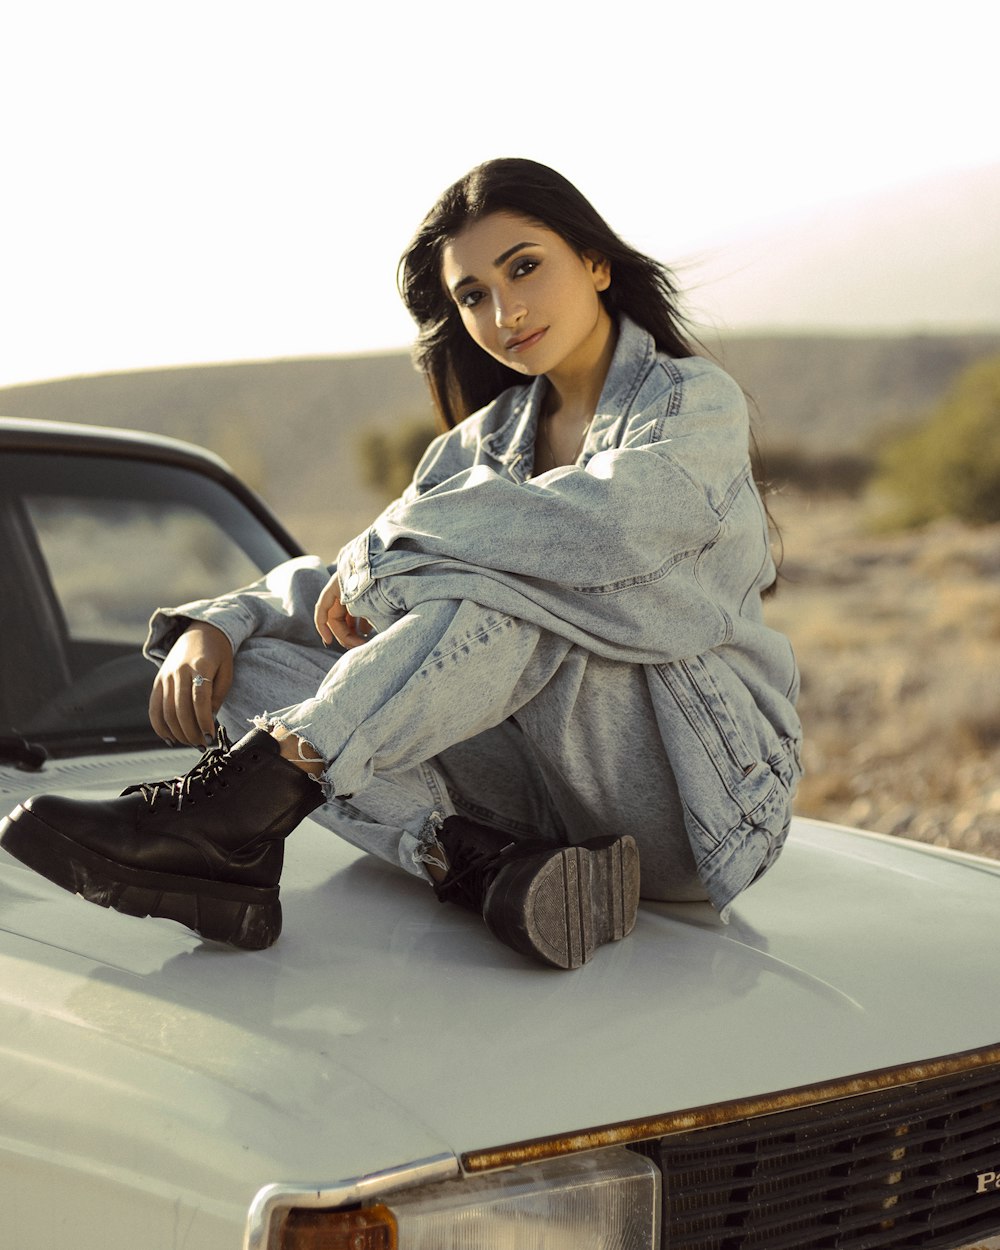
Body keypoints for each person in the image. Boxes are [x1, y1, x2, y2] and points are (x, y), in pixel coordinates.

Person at [0, 158, 802, 970]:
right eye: (473, 295)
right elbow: (357, 579)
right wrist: (222, 622)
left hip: (696, 794)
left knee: (503, 576)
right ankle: (477, 863)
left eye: (525, 267)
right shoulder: (474, 449)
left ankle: (236, 814)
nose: (504, 310)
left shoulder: (689, 401)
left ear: (595, 264)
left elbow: (604, 532)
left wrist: (386, 552)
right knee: (251, 670)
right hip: (550, 805)